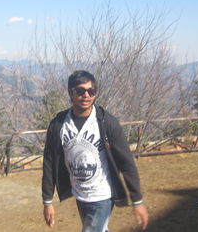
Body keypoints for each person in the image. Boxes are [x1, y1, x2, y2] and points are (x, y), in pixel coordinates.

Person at [42, 70, 148, 231]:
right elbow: (49, 162)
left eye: (91, 91)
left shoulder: (106, 123)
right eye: (80, 91)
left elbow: (126, 163)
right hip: (80, 194)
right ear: (70, 92)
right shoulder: (59, 124)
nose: (86, 95)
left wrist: (137, 200)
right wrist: (47, 201)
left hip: (102, 195)